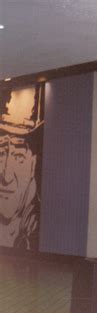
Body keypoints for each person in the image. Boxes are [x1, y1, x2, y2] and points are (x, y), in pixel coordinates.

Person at [0, 85, 43, 250]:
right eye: (1, 153)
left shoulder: (39, 226)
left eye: (18, 157)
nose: (6, 175)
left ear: (33, 164)